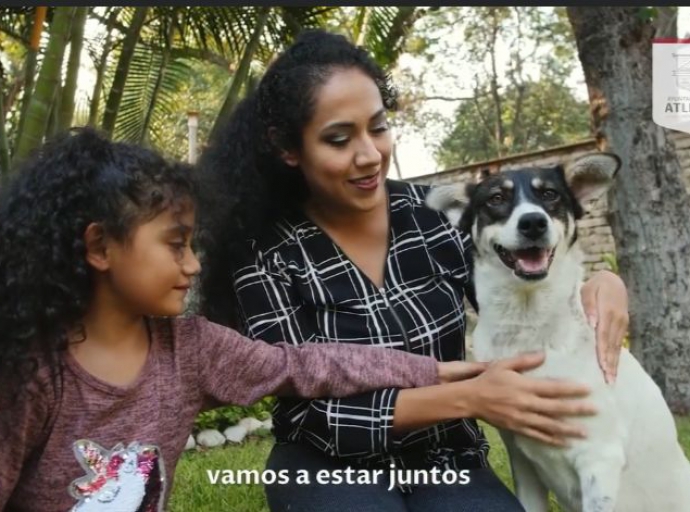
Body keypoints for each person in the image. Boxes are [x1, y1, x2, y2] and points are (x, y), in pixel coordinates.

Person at [197, 29, 630, 512]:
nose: (369, 155)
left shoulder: (435, 215)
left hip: (445, 456)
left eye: (378, 127)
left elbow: (522, 278)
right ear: (288, 148)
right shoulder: (265, 251)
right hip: (324, 461)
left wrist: (604, 284)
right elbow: (309, 410)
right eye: (339, 139)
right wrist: (469, 399)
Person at [0, 128, 482, 512]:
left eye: (192, 245)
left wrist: (430, 370)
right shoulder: (32, 374)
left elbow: (307, 366)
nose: (193, 264)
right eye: (175, 244)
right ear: (100, 246)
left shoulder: (192, 351)